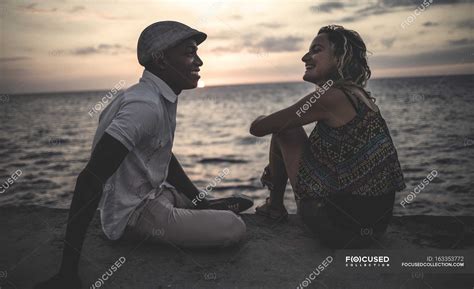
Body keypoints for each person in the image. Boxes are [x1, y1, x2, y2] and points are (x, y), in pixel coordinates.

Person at [35, 21, 252, 289]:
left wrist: (200, 201)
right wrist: (68, 272)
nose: (199, 61)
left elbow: (163, 155)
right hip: (135, 214)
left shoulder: (156, 95)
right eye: (189, 52)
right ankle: (190, 212)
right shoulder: (143, 105)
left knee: (202, 200)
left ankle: (199, 205)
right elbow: (90, 178)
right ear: (160, 60)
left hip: (155, 193)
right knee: (233, 227)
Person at [250, 25, 406, 248]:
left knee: (286, 129)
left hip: (338, 229)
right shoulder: (359, 96)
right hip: (374, 229)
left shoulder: (331, 97)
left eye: (316, 50)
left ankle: (274, 207)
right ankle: (274, 206)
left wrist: (262, 118)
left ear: (339, 57)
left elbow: (259, 128)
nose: (305, 57)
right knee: (289, 129)